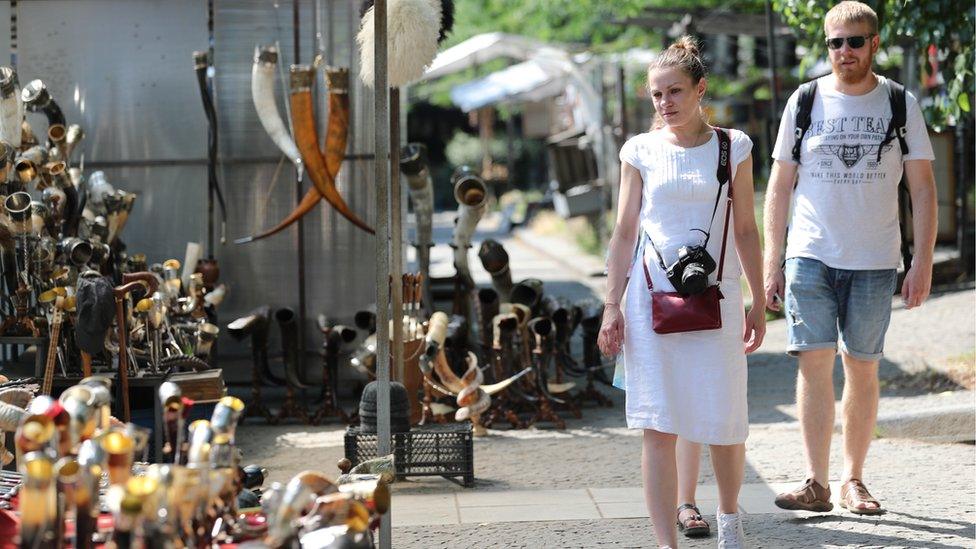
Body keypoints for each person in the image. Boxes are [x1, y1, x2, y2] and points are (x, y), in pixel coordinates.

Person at [763, 1, 937, 515]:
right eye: (835, 42)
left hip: (874, 257)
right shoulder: (806, 100)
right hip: (811, 253)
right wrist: (773, 261)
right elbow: (779, 185)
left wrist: (921, 262)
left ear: (874, 44)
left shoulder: (899, 103)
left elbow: (923, 189)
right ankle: (815, 481)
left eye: (855, 41)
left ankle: (852, 479)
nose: (844, 51)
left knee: (861, 367)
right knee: (813, 363)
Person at [598, 36, 766, 549]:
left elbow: (745, 229)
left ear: (699, 90)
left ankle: (731, 524)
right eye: (656, 94)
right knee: (658, 425)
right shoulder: (640, 151)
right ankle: (666, 542)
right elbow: (624, 231)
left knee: (725, 418)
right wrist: (611, 305)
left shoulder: (732, 146)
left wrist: (759, 299)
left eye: (674, 91)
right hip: (650, 302)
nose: (665, 103)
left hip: (716, 297)